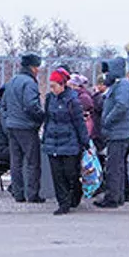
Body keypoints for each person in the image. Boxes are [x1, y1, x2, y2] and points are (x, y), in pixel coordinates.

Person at [1, 53, 47, 203]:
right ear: (33, 67)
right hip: (26, 127)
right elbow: (31, 105)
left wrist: (9, 120)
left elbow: (4, 105)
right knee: (33, 162)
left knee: (16, 162)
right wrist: (43, 117)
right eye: (37, 67)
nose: (38, 70)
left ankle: (18, 194)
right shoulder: (30, 83)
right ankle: (33, 195)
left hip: (12, 126)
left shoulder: (12, 81)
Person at [41, 68, 89, 214]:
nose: (52, 89)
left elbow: (79, 122)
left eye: (54, 86)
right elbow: (47, 119)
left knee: (70, 173)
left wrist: (85, 141)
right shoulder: (50, 99)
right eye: (50, 86)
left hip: (70, 143)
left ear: (63, 85)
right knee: (57, 175)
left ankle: (75, 193)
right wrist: (45, 138)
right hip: (52, 141)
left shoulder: (73, 100)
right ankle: (63, 203)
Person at [95, 58, 129, 207]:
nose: (106, 75)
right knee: (117, 166)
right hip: (118, 132)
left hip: (118, 133)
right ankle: (118, 196)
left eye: (108, 72)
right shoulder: (119, 85)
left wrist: (107, 120)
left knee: (113, 166)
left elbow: (121, 106)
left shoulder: (122, 85)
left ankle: (112, 198)